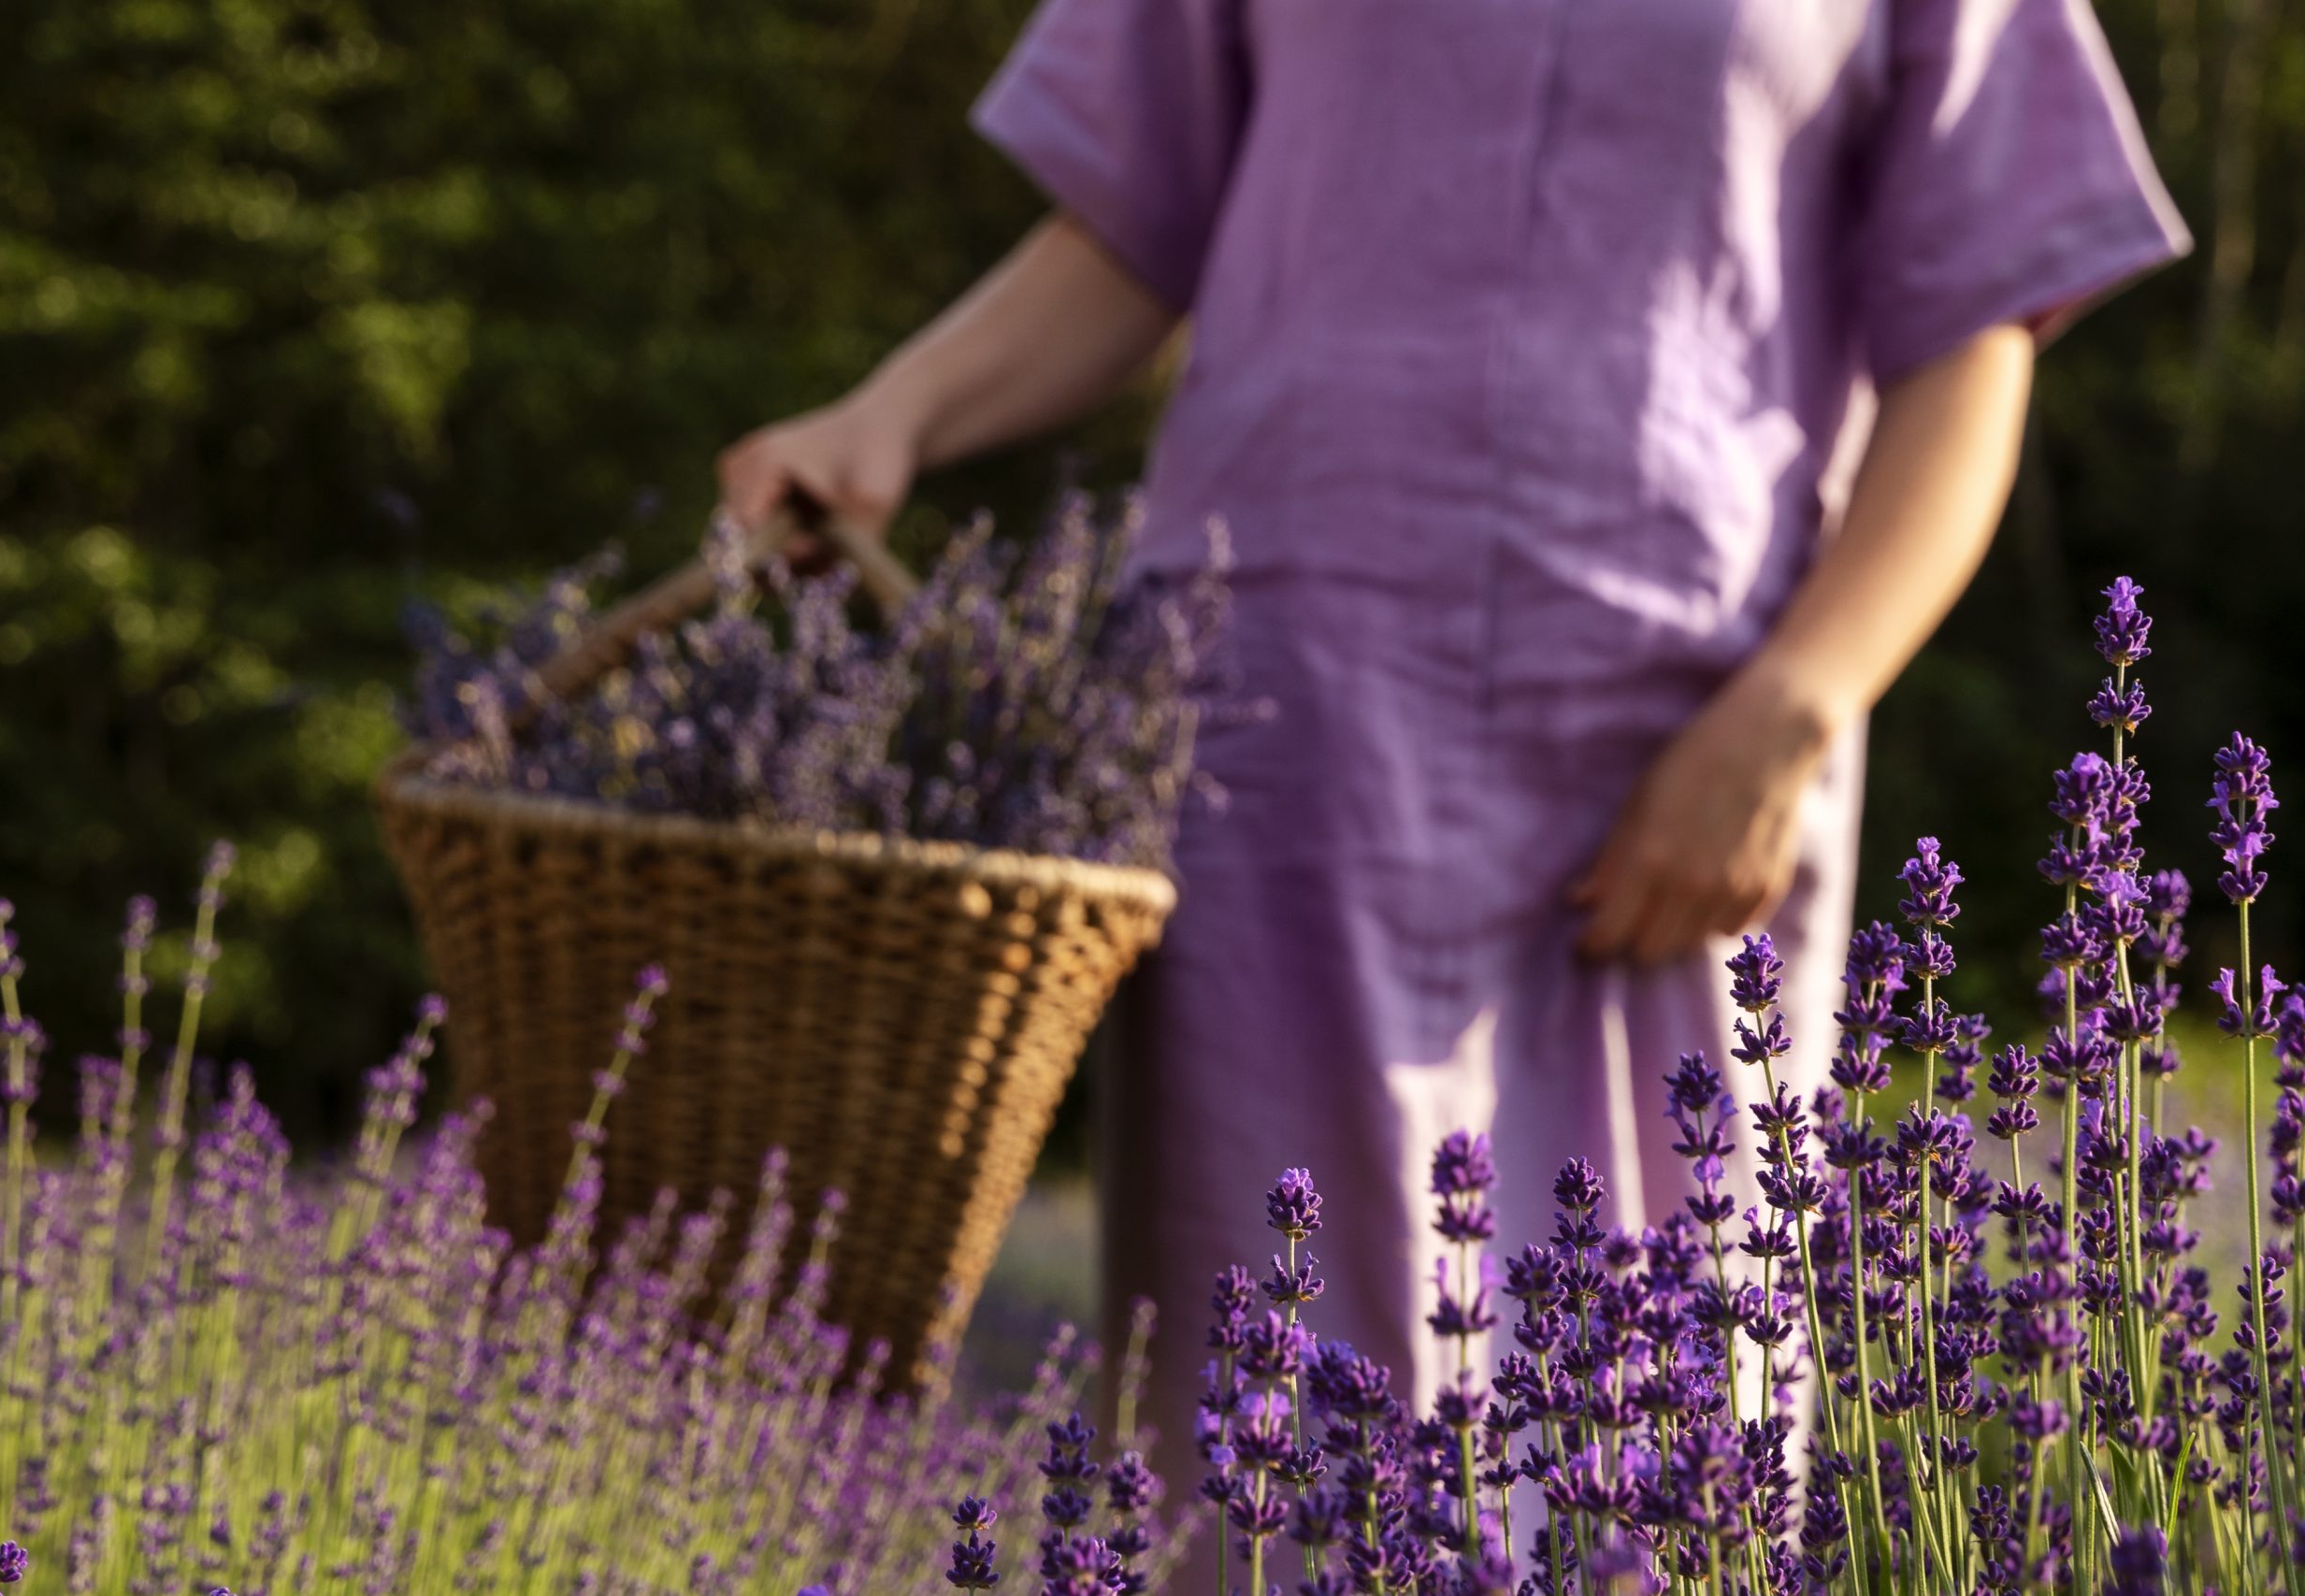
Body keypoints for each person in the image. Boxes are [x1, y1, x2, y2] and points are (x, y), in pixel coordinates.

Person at [719, 0, 2187, 1566]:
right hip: (1281, 733)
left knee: (1667, 1462)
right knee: (1268, 1456)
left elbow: (1970, 347)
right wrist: (897, 410)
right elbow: (1133, 231)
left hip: (1684, 767)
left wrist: (1798, 705)